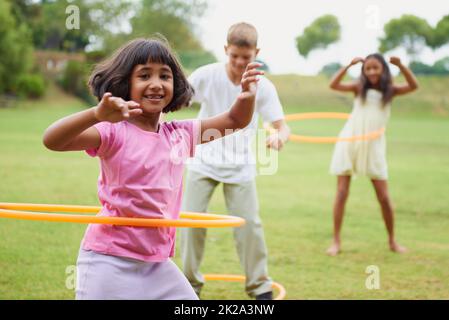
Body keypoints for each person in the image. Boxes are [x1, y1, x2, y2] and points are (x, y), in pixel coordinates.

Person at [42, 37, 263, 299]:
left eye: (165, 76)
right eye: (144, 75)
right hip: (109, 260)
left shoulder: (181, 135)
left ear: (176, 84)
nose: (156, 84)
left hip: (157, 264)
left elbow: (235, 120)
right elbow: (53, 140)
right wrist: (96, 115)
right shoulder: (113, 133)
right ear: (126, 83)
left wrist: (247, 95)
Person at [181, 22, 290, 300]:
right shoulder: (207, 75)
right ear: (226, 50)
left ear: (257, 53)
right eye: (235, 56)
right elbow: (177, 101)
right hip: (202, 158)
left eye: (247, 57)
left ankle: (259, 287)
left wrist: (278, 136)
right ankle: (188, 286)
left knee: (250, 226)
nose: (240, 63)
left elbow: (281, 125)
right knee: (192, 223)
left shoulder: (263, 86)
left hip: (240, 164)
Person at [326, 54, 419, 256]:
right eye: (368, 69)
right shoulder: (359, 87)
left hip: (374, 146)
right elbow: (333, 85)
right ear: (363, 71)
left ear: (384, 69)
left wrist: (401, 65)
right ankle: (336, 241)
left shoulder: (390, 91)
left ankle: (392, 241)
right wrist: (347, 65)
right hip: (350, 141)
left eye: (376, 68)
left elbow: (413, 86)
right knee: (341, 193)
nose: (372, 72)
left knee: (384, 197)